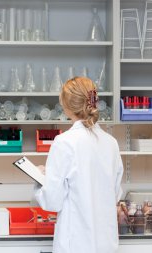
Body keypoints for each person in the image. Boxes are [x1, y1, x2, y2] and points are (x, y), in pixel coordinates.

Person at [35, 76, 123, 253]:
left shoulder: (64, 142)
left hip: (76, 245)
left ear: (66, 106)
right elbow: (115, 194)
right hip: (106, 244)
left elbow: (53, 201)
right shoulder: (111, 142)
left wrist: (41, 180)